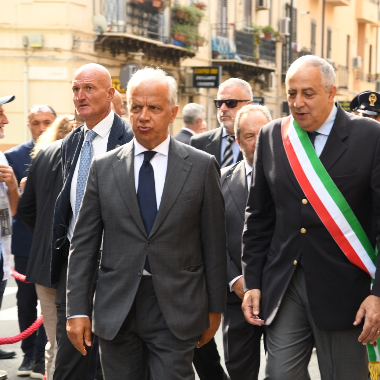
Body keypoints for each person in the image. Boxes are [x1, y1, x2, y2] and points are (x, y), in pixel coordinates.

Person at [65, 67, 227, 380]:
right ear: (124, 108)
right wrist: (77, 309)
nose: (144, 117)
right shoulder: (104, 167)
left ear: (173, 113)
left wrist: (214, 308)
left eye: (154, 108)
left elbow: (213, 242)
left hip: (177, 305)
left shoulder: (201, 166)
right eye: (137, 107)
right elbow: (83, 244)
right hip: (117, 306)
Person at [241, 55, 380, 380]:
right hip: (285, 283)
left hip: (347, 290)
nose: (298, 103)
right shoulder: (272, 136)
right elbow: (258, 217)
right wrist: (253, 281)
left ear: (332, 93)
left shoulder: (369, 137)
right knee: (280, 373)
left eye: (308, 93)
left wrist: (377, 294)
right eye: (291, 94)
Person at [50, 63, 133, 380]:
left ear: (111, 94)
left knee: (109, 366)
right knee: (69, 367)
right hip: (75, 267)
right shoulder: (72, 142)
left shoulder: (129, 140)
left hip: (116, 266)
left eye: (89, 88)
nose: (80, 96)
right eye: (75, 89)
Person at [17, 115, 75, 380]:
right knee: (79, 346)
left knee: (56, 342)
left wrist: (44, 236)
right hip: (76, 266)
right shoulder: (89, 156)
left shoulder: (43, 155)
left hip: (45, 263)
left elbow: (26, 209)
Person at [5, 104, 56, 378]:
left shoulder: (63, 151)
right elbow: (13, 208)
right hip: (25, 241)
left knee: (52, 303)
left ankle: (42, 355)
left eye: (47, 122)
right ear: (29, 125)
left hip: (53, 242)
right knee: (26, 302)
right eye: (36, 123)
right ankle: (28, 355)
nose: (42, 128)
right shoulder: (13, 156)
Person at [221, 104, 271, 379]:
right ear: (238, 141)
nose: (257, 142)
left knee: (283, 370)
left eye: (263, 134)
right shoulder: (219, 181)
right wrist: (235, 281)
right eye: (250, 136)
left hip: (281, 297)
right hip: (235, 300)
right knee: (239, 370)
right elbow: (212, 240)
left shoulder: (292, 181)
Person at [190, 78, 252, 167]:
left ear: (247, 106)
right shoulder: (198, 142)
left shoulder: (261, 142)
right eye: (219, 103)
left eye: (230, 103)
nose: (223, 108)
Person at [0, 95, 21, 362]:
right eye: (0, 114)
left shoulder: (1, 154)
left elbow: (13, 210)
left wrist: (14, 184)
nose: (5, 119)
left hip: (2, 255)